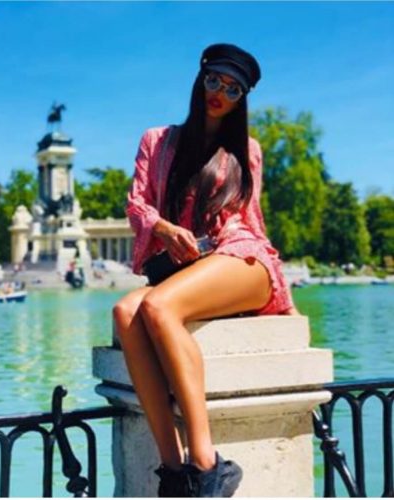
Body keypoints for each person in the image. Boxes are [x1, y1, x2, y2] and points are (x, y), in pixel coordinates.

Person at [113, 43, 299, 498]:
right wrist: (163, 228)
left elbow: (253, 221)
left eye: (233, 89)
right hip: (189, 267)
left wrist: (287, 301)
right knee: (125, 312)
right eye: (215, 80)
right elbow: (137, 205)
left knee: (158, 307)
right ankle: (174, 471)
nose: (220, 92)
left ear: (242, 100)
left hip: (243, 258)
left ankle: (207, 464)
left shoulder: (246, 150)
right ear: (200, 80)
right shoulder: (158, 140)